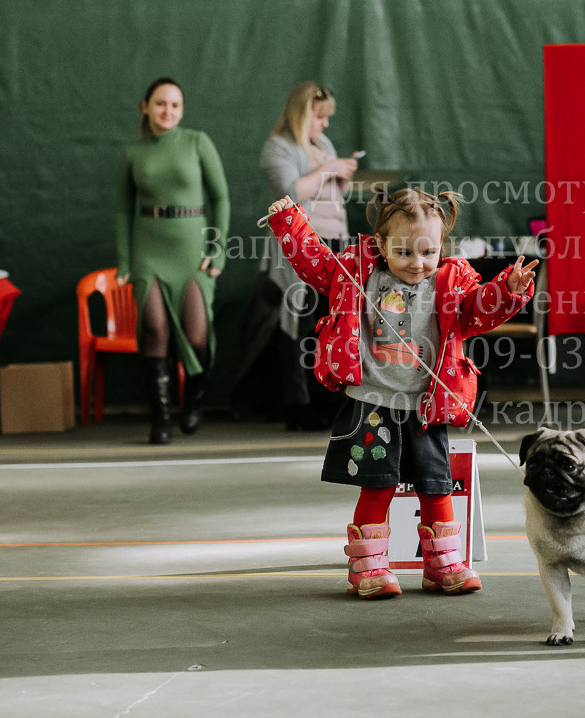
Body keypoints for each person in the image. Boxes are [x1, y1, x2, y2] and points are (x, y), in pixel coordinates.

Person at [264, 186, 537, 598]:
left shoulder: (448, 284)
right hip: (372, 403)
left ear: (441, 246)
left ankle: (444, 565)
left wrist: (509, 289)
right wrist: (290, 222)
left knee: (437, 485)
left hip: (426, 408)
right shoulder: (356, 274)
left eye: (428, 252)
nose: (417, 262)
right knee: (377, 486)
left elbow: (479, 309)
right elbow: (315, 261)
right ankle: (368, 568)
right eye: (404, 252)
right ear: (380, 244)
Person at [116, 77, 231, 444]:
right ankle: (160, 419)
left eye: (175, 105)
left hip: (193, 250)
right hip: (148, 250)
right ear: (145, 106)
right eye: (161, 103)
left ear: (182, 110)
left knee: (197, 336)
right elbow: (122, 210)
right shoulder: (132, 152)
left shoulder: (198, 142)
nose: (168, 111)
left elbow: (221, 198)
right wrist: (124, 261)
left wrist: (218, 248)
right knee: (154, 329)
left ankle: (194, 400)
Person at [243, 82, 360, 429]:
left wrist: (342, 175)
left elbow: (335, 195)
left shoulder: (323, 144)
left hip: (335, 245)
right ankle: (298, 404)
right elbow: (290, 192)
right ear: (302, 114)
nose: (325, 124)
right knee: (297, 323)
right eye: (319, 117)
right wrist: (329, 169)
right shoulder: (277, 148)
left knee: (331, 323)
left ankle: (326, 398)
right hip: (301, 248)